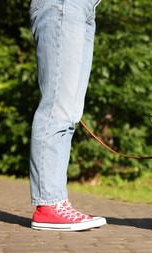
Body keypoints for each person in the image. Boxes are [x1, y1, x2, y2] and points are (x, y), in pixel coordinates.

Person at [29, 0, 106, 231]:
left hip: (86, 9)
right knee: (57, 110)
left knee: (70, 114)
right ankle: (47, 206)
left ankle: (58, 202)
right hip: (63, 4)